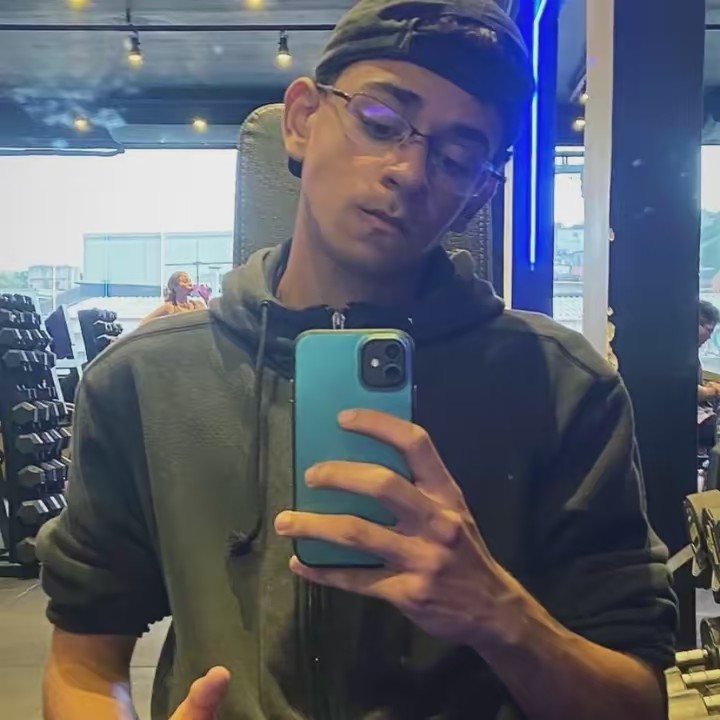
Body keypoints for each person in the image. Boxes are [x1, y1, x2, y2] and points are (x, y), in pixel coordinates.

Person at [38, 2, 677, 719]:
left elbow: (636, 703)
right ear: (302, 119)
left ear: (477, 194)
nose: (408, 169)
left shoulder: (562, 388)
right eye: (379, 120)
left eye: (457, 158)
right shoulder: (144, 381)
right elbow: (84, 663)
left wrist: (501, 615)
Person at [140, 271, 207, 326]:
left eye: (190, 281)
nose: (190, 284)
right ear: (175, 287)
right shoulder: (170, 308)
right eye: (185, 281)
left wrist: (206, 299)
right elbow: (144, 323)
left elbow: (209, 322)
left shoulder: (199, 305)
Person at [698, 300, 720, 448]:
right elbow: (688, 391)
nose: (709, 338)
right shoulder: (678, 353)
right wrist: (713, 390)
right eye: (709, 330)